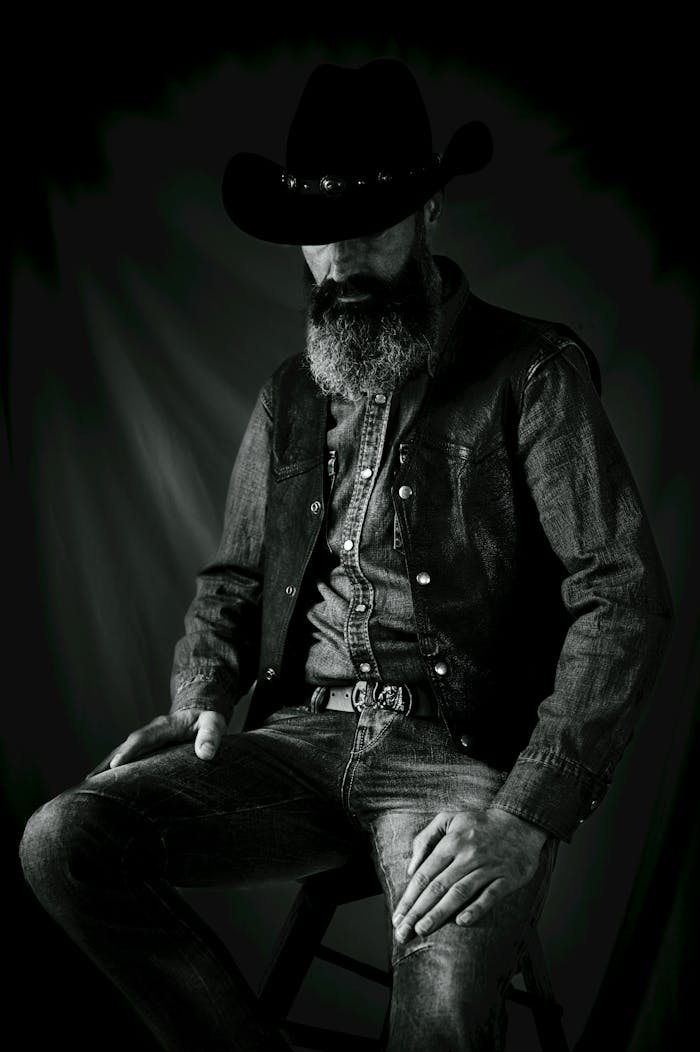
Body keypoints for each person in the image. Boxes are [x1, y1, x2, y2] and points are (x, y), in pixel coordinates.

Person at [19, 58, 674, 1051]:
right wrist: (200, 691)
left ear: (430, 212)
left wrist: (526, 812)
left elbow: (621, 592)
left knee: (445, 1013)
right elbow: (233, 576)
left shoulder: (530, 373)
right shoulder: (289, 396)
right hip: (301, 747)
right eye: (317, 232)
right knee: (63, 840)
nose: (342, 257)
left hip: (455, 763)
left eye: (371, 222)